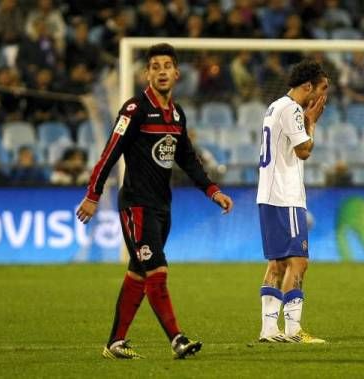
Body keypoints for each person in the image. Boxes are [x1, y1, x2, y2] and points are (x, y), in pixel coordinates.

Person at [75, 43, 234, 360]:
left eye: (167, 66)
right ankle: (177, 339)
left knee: (138, 272)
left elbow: (187, 159)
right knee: (157, 269)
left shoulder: (177, 115)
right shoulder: (134, 110)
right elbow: (111, 152)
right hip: (136, 205)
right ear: (147, 74)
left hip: (163, 207)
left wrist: (212, 190)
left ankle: (115, 343)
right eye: (155, 66)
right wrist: (93, 195)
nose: (161, 71)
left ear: (177, 73)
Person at [257, 60, 328, 344]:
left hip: (269, 194)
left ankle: (269, 330)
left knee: (278, 264)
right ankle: (293, 330)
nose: (323, 97)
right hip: (286, 197)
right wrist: (311, 123)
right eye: (322, 89)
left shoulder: (276, 106)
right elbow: (303, 151)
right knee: (299, 262)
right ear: (308, 87)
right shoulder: (294, 110)